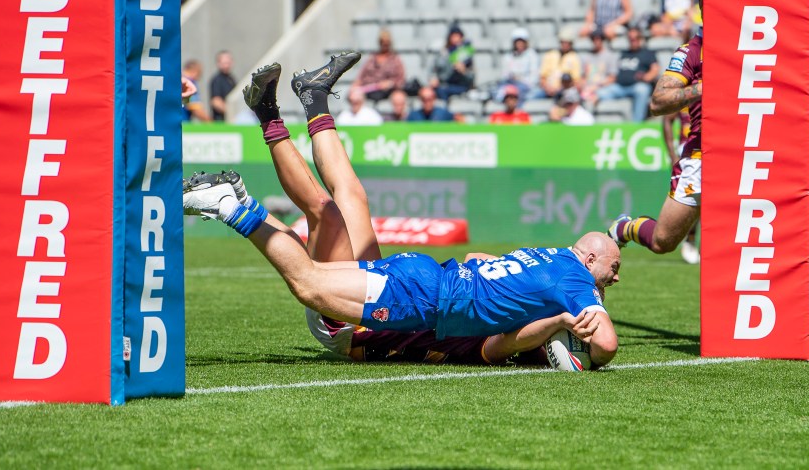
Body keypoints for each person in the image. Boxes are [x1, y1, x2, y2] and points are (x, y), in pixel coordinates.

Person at [216, 60, 606, 366]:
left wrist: (553, 320)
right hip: (389, 299)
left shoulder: (495, 339)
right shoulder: (509, 308)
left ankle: (266, 118)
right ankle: (314, 97)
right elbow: (475, 261)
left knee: (326, 212)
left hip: (353, 324)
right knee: (353, 195)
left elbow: (505, 343)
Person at [608, 0, 703, 258]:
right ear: (704, 9)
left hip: (747, 152)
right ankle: (626, 227)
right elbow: (658, 102)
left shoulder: (753, 45)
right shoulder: (691, 51)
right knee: (663, 242)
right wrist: (702, 87)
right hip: (700, 156)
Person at [596, 26, 659, 122]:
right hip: (619, 87)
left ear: (640, 39)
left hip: (637, 86)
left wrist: (645, 77)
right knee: (599, 93)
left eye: (635, 38)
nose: (633, 41)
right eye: (630, 38)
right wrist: (601, 84)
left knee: (642, 89)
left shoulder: (648, 53)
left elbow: (655, 70)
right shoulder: (624, 53)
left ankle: (636, 124)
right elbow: (615, 74)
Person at [662, 109, 700, 264]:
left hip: (712, 147)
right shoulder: (689, 90)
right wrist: (672, 154)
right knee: (694, 200)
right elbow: (667, 118)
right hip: (689, 151)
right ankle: (690, 239)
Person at [353, 29, 406, 102]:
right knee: (354, 94)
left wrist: (390, 83)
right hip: (369, 90)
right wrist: (355, 85)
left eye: (387, 43)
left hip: (387, 92)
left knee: (398, 97)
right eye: (382, 42)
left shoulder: (395, 60)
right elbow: (361, 76)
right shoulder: (372, 58)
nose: (384, 44)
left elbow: (401, 79)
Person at [430, 24, 475, 100]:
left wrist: (464, 71)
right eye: (453, 36)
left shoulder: (466, 55)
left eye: (458, 37)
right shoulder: (443, 53)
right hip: (444, 84)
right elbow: (433, 69)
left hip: (460, 86)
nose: (456, 39)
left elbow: (472, 77)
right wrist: (434, 78)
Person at [536, 26, 583, 99]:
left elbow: (576, 81)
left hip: (564, 91)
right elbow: (542, 77)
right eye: (562, 42)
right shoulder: (550, 54)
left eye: (567, 42)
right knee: (532, 95)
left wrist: (559, 89)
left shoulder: (574, 58)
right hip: (547, 90)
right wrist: (548, 88)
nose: (564, 44)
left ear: (571, 43)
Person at [497, 28, 540, 102]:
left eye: (522, 42)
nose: (519, 44)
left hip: (526, 87)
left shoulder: (532, 56)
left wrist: (519, 79)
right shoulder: (508, 57)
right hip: (510, 84)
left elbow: (534, 79)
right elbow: (504, 75)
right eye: (517, 42)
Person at [580, 30, 618, 104]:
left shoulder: (610, 56)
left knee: (597, 95)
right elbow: (583, 77)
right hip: (588, 88)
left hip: (602, 88)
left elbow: (612, 78)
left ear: (602, 40)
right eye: (594, 39)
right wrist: (584, 86)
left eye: (598, 39)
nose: (596, 41)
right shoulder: (586, 57)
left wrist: (596, 86)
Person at [209, 50, 236, 122]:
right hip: (221, 122)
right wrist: (232, 113)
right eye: (224, 63)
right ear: (218, 63)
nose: (226, 65)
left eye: (228, 63)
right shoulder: (217, 80)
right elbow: (216, 102)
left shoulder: (231, 79)